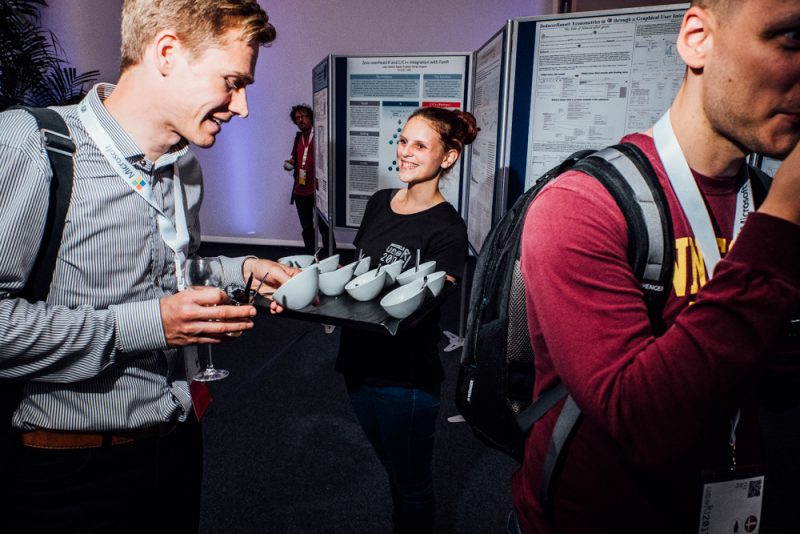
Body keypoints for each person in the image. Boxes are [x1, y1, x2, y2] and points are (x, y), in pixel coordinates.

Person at [0, 1, 294, 532]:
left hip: (175, 444)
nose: (242, 107)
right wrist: (151, 325)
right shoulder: (30, 144)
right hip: (65, 472)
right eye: (232, 83)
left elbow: (165, 270)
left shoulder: (184, 167)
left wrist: (242, 271)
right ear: (167, 51)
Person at [511, 1, 800, 532]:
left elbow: (779, 380)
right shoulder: (583, 203)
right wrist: (784, 222)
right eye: (792, 38)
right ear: (697, 38)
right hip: (588, 517)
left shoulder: (765, 201)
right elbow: (637, 423)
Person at [335, 107, 477, 533]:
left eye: (419, 145)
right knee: (392, 467)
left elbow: (419, 311)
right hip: (356, 362)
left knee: (411, 483)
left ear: (447, 157)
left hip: (404, 378)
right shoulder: (380, 202)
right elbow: (358, 273)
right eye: (402, 141)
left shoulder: (448, 229)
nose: (405, 152)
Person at [283, 103, 336, 257]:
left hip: (318, 190)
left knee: (324, 227)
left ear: (310, 118)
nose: (300, 120)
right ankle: (311, 257)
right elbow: (295, 158)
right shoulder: (298, 138)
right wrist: (290, 163)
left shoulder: (320, 135)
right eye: (297, 118)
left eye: (303, 116)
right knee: (307, 228)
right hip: (300, 191)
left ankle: (331, 257)